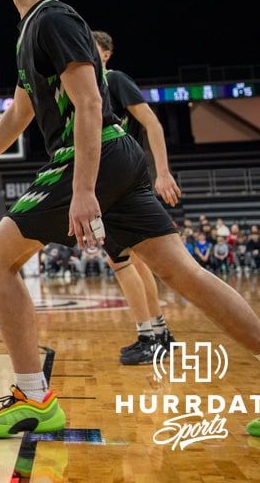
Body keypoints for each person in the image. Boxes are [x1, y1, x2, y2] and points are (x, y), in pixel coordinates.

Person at [0, 0, 260, 439]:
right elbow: (21, 112)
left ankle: (33, 397)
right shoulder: (29, 29)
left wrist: (84, 188)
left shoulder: (55, 18)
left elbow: (91, 104)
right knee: (185, 274)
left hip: (93, 158)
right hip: (118, 161)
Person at [93, 30, 182, 365]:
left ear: (106, 53)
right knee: (138, 258)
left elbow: (152, 124)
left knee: (120, 261)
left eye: (93, 46)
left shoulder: (113, 79)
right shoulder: (84, 86)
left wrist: (163, 172)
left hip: (117, 179)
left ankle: (147, 337)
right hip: (120, 177)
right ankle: (159, 333)